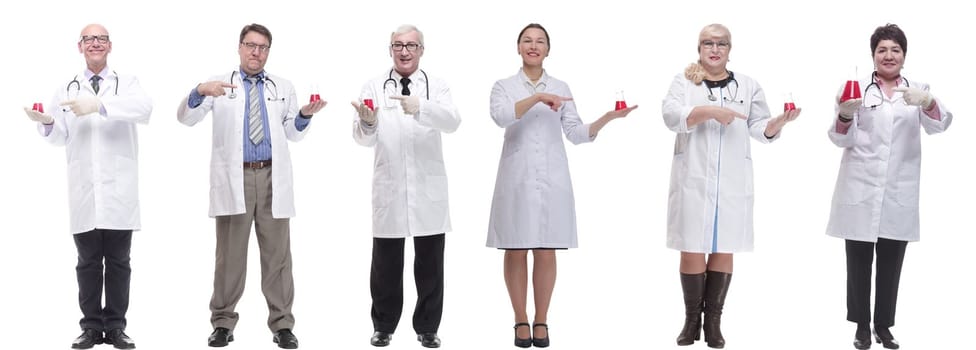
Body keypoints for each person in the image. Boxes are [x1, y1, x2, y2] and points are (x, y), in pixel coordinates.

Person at [486, 23, 636, 349]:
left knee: (546, 247)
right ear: (518, 47)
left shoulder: (562, 86)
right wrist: (537, 97)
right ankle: (519, 318)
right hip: (517, 177)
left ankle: (541, 319)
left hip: (552, 178)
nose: (533, 45)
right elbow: (500, 117)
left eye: (540, 41)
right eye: (527, 40)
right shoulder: (504, 86)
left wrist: (606, 119)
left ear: (548, 50)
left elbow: (576, 133)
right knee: (515, 247)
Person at [177, 23, 326, 349]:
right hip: (236, 177)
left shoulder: (282, 86)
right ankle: (222, 322)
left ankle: (282, 324)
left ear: (268, 51)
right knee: (229, 256)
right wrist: (200, 90)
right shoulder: (220, 85)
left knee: (278, 257)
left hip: (273, 177)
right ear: (240, 47)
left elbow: (293, 132)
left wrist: (303, 114)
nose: (256, 52)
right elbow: (185, 118)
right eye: (250, 45)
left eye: (262, 47)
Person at [662, 23, 801, 349]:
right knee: (692, 247)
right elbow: (670, 116)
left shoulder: (748, 85)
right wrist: (708, 111)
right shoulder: (683, 82)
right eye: (708, 43)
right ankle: (691, 320)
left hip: (732, 181)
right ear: (699, 48)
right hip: (693, 178)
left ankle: (713, 323)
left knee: (724, 245)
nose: (714, 49)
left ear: (729, 49)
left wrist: (777, 124)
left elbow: (759, 127)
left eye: (721, 43)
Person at [22, 23, 152, 350]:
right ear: (79, 46)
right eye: (89, 39)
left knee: (120, 262)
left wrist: (100, 105)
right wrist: (48, 123)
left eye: (101, 38)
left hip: (119, 190)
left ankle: (117, 328)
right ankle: (92, 328)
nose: (95, 43)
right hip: (85, 191)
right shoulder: (68, 87)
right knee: (88, 263)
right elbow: (60, 136)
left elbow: (144, 109)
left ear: (110, 46)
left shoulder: (127, 83)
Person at [827, 23, 952, 350]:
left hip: (898, 189)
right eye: (882, 49)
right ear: (873, 55)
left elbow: (940, 125)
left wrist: (926, 102)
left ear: (904, 55)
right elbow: (842, 138)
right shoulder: (854, 88)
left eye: (895, 49)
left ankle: (883, 326)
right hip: (860, 188)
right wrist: (842, 114)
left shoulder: (918, 89)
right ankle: (861, 327)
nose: (889, 55)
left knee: (891, 262)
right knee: (857, 262)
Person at [351, 24, 461, 349]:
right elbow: (362, 137)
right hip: (390, 189)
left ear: (421, 51)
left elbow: (453, 121)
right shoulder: (373, 85)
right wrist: (368, 122)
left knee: (430, 266)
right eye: (398, 45)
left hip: (428, 193)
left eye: (411, 45)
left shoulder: (436, 87)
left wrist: (421, 108)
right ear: (390, 49)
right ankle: (383, 326)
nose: (404, 51)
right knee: (385, 266)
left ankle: (427, 328)